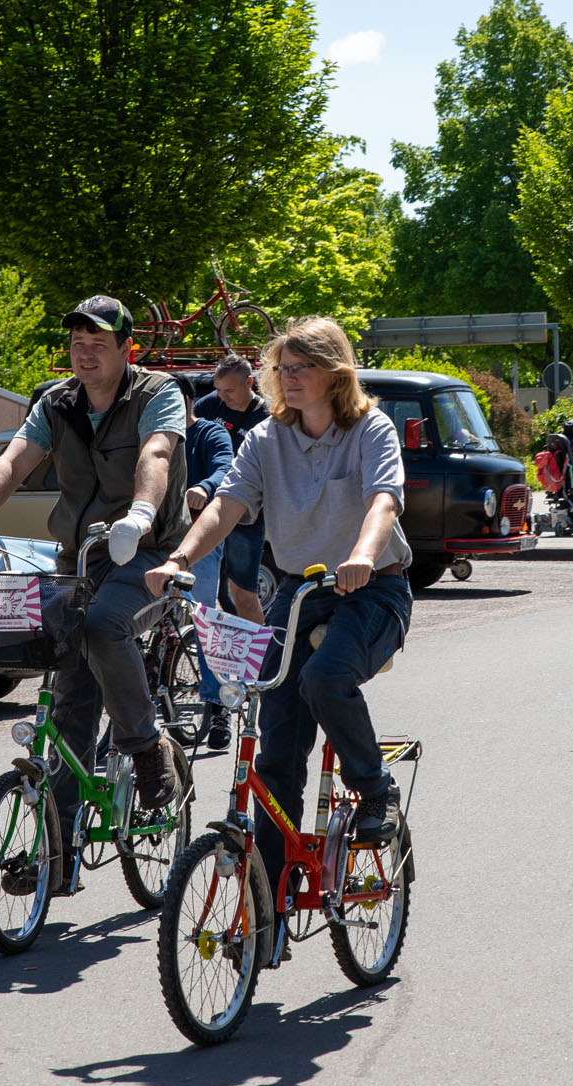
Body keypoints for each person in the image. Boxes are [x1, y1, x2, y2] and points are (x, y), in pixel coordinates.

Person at [146, 316, 413, 870]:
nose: (288, 378)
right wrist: (178, 559)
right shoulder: (267, 437)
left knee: (325, 678)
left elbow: (382, 501)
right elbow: (227, 505)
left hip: (374, 590)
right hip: (299, 591)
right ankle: (272, 894)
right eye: (281, 368)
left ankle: (375, 787)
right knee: (277, 745)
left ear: (335, 373)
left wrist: (362, 556)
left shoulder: (371, 428)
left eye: (302, 368)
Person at [0, 296, 187, 882]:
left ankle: (145, 747)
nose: (85, 352)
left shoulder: (158, 394)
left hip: (147, 554)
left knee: (105, 625)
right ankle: (57, 855)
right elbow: (15, 459)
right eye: (77, 342)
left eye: (98, 343)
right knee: (69, 695)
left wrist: (140, 514)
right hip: (77, 558)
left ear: (128, 347)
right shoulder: (56, 402)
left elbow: (157, 453)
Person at [194, 354, 270, 624]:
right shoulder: (210, 405)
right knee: (193, 589)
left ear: (249, 382)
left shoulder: (267, 417)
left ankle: (259, 659)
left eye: (229, 390)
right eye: (218, 389)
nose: (222, 397)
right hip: (206, 510)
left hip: (245, 515)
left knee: (241, 592)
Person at [182, 393, 236, 749]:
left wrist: (205, 486)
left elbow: (224, 464)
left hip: (200, 535)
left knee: (202, 614)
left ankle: (218, 704)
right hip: (155, 539)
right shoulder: (149, 434)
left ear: (186, 401)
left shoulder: (210, 433)